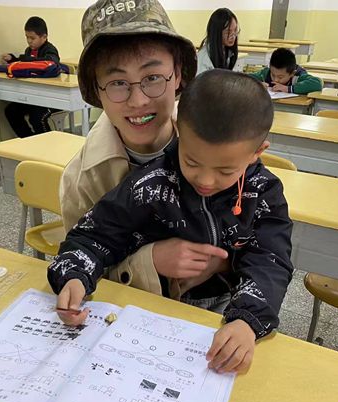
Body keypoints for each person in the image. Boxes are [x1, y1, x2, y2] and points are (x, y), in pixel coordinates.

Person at [48, 70, 294, 375]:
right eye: (191, 161)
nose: (205, 180)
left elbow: (271, 259)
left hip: (230, 307)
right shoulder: (152, 182)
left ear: (257, 152)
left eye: (225, 171)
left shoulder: (264, 192)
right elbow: (96, 234)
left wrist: (247, 320)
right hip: (156, 302)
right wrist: (74, 275)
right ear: (179, 131)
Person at [63, 0, 230, 300]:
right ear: (97, 90)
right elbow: (83, 264)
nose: (138, 100)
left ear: (177, 75)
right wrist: (149, 262)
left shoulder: (218, 143)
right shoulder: (82, 179)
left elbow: (264, 239)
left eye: (152, 78)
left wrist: (226, 262)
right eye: (117, 82)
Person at [2, 16, 62, 138]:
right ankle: (29, 139)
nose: (29, 41)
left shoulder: (50, 50)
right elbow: (26, 65)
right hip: (34, 97)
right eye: (27, 37)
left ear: (44, 37)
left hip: (50, 97)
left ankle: (48, 144)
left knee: (37, 117)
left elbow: (50, 63)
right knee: (11, 111)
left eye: (32, 38)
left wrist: (26, 60)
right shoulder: (28, 51)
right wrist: (13, 60)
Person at [249, 48, 323, 94]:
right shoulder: (265, 73)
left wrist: (288, 89)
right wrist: (257, 84)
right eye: (273, 75)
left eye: (280, 77)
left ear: (292, 73)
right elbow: (245, 78)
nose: (275, 80)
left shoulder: (298, 76)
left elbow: (317, 84)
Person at [196, 8, 239, 74]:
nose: (233, 36)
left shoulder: (228, 51)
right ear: (216, 33)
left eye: (235, 30)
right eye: (228, 32)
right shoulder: (203, 59)